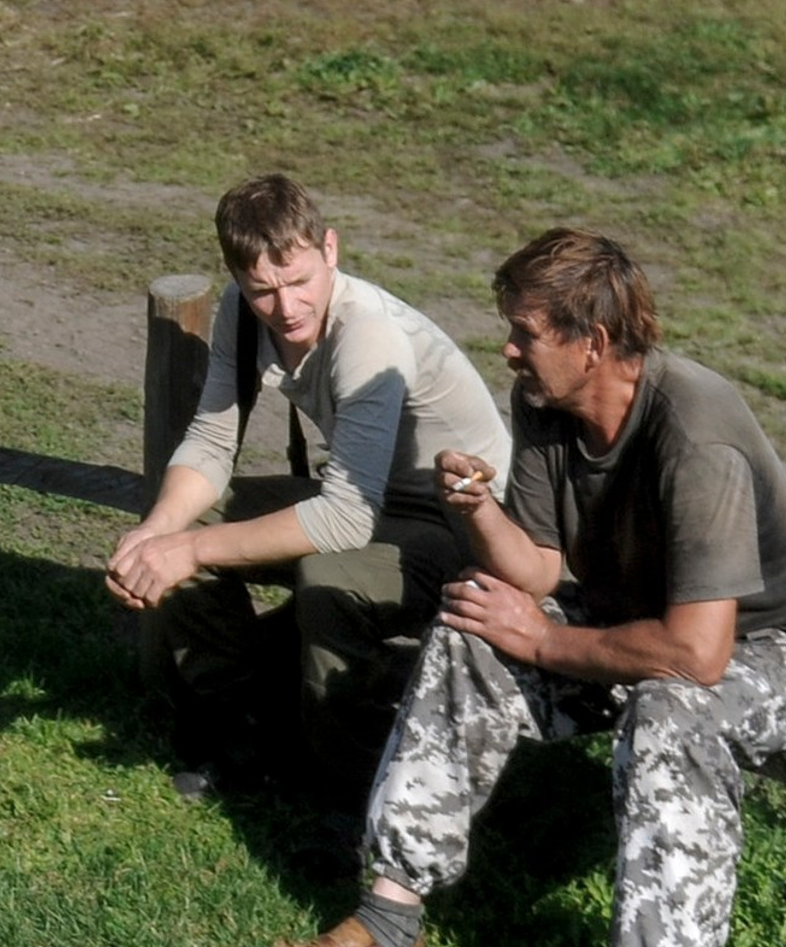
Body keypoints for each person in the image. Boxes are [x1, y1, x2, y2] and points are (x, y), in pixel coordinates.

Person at [256, 227, 786, 947]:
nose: (506, 348)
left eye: (524, 332)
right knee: (471, 626)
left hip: (775, 651)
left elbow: (698, 655)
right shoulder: (546, 402)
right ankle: (390, 921)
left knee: (671, 713)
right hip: (633, 619)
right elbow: (536, 573)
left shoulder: (695, 433)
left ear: (598, 342)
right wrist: (480, 515)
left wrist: (543, 638)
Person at [107, 173, 510, 821]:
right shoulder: (245, 316)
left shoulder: (368, 336)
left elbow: (344, 520)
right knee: (183, 518)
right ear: (237, 277)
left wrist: (189, 550)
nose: (286, 308)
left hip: (459, 533)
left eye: (298, 282)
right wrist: (158, 533)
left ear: (330, 249)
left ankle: (351, 789)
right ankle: (243, 718)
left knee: (328, 572)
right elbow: (211, 442)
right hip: (367, 499)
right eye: (263, 290)